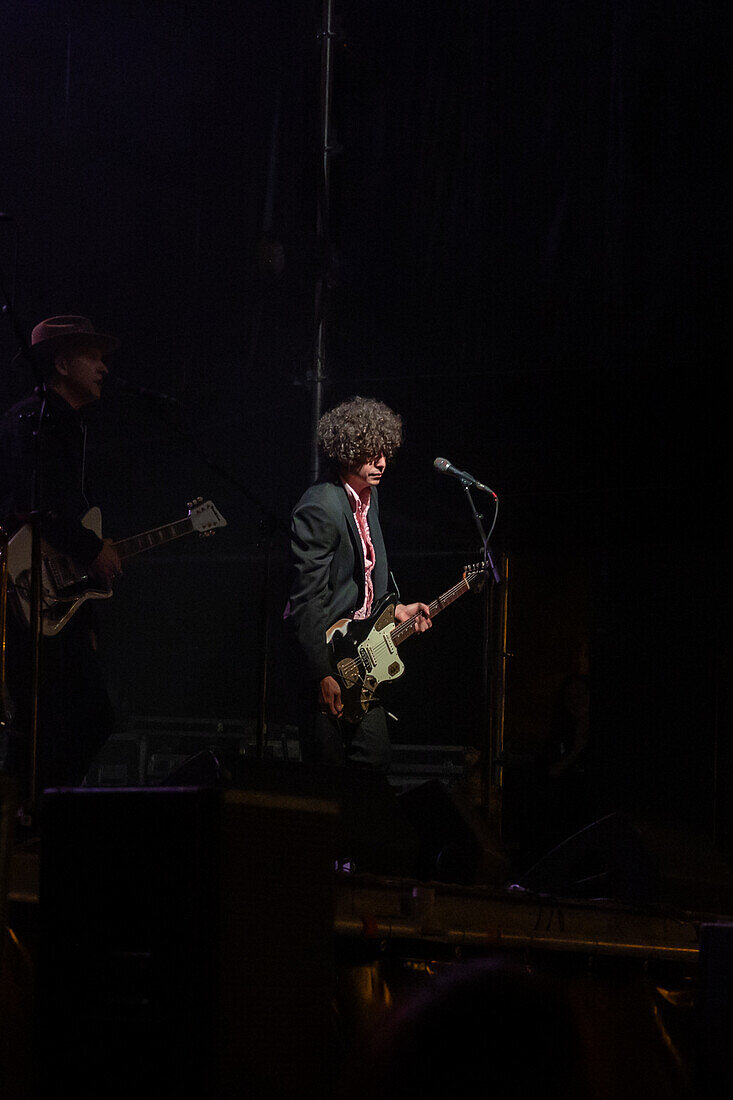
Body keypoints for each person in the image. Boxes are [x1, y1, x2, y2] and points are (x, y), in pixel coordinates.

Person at [0, 315, 122, 800]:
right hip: (24, 594)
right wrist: (94, 548)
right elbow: (35, 506)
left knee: (58, 718)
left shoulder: (71, 426)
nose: (103, 368)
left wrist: (87, 617)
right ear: (62, 362)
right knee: (65, 716)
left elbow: (65, 519)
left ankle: (32, 817)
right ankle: (34, 817)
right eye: (92, 357)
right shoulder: (32, 420)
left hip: (57, 601)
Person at [287, 395, 431, 772]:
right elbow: (308, 599)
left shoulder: (370, 497)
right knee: (329, 780)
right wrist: (322, 673)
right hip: (328, 659)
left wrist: (395, 609)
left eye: (384, 452)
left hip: (362, 657)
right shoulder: (320, 506)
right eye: (370, 454)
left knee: (374, 760)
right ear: (347, 452)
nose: (381, 463)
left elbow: (366, 576)